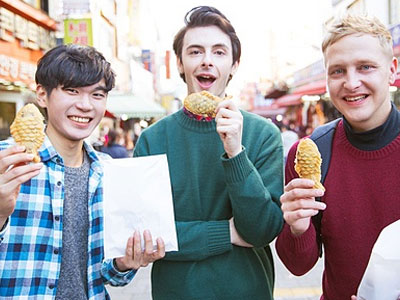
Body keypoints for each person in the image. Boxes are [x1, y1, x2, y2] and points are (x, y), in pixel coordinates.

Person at [133, 6, 284, 300]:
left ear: (234, 63)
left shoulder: (264, 135)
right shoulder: (153, 140)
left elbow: (261, 231)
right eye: (194, 52)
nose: (206, 61)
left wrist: (236, 151)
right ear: (179, 63)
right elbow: (149, 235)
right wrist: (225, 233)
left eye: (218, 52)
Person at [0, 44, 165, 299]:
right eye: (71, 91)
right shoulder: (8, 164)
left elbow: (105, 274)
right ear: (42, 95)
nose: (85, 105)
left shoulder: (108, 172)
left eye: (97, 95)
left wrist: (124, 263)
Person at [275, 14, 399, 300]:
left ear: (391, 70)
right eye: (338, 71)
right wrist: (296, 226)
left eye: (365, 67)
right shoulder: (310, 152)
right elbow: (298, 266)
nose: (351, 83)